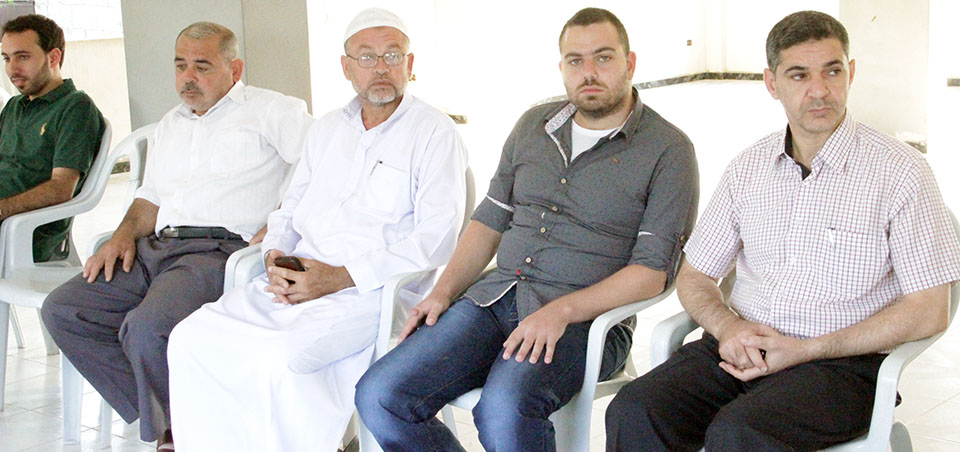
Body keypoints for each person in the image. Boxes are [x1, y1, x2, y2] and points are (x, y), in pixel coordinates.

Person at [605, 10, 960, 452]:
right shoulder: (748, 169)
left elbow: (930, 309)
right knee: (634, 409)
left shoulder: (900, 172)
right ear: (772, 83)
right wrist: (727, 328)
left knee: (739, 433)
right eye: (799, 75)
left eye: (832, 71)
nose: (820, 90)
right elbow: (695, 275)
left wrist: (809, 349)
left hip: (840, 366)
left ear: (850, 73)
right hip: (742, 347)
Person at [356, 7, 698, 452]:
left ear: (629, 63)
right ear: (562, 68)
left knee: (504, 409)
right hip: (494, 298)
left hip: (586, 320)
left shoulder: (668, 150)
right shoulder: (533, 127)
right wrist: (443, 291)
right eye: (575, 61)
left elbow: (653, 272)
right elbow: (489, 220)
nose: (589, 72)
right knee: (380, 395)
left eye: (603, 58)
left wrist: (562, 311)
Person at [166, 8, 467, 452]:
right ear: (346, 67)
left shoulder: (434, 132)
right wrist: (275, 256)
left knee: (280, 358)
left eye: (392, 55)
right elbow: (289, 209)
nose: (380, 67)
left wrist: (339, 277)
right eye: (366, 57)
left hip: (370, 294)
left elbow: (436, 239)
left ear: (410, 64)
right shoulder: (327, 129)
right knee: (189, 339)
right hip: (296, 281)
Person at [40, 21, 314, 448]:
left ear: (235, 69)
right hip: (156, 246)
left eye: (202, 66)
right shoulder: (171, 123)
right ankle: (176, 417)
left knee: (147, 328)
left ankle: (173, 433)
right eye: (180, 65)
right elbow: (150, 197)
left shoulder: (271, 111)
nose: (188, 77)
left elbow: (320, 165)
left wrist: (281, 220)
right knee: (65, 310)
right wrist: (121, 235)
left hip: (216, 251)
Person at [0, 14, 104, 261]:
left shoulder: (75, 107)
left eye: (23, 57)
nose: (12, 69)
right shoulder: (14, 106)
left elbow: (61, 188)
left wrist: (2, 209)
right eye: (7, 58)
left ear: (53, 57)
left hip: (25, 229)